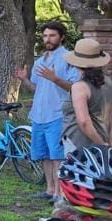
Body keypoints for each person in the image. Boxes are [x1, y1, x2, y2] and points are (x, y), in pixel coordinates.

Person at [14, 21, 81, 199]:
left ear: (61, 37)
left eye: (52, 35)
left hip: (57, 115)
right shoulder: (40, 61)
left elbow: (75, 87)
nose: (48, 39)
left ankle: (60, 194)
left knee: (57, 155)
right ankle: (50, 189)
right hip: (39, 115)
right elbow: (37, 88)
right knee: (44, 155)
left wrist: (55, 79)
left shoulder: (69, 58)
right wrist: (24, 80)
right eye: (45, 35)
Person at [62, 38, 112, 157]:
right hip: (104, 141)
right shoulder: (108, 82)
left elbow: (84, 122)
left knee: (78, 176)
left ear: (76, 63)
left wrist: (101, 144)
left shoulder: (80, 87)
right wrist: (110, 141)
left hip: (80, 145)